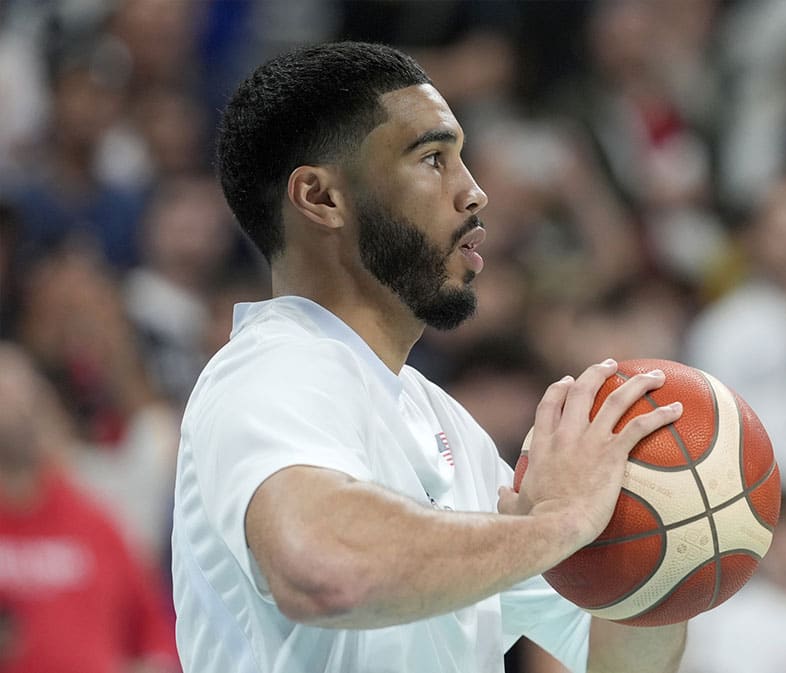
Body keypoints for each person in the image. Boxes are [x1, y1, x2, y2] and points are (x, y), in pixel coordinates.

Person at [171, 42, 687, 673]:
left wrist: (665, 537)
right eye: (433, 159)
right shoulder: (272, 370)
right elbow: (324, 572)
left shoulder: (445, 425)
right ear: (321, 198)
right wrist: (565, 522)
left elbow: (618, 661)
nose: (475, 194)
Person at [0, 344, 177, 673]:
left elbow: (155, 631)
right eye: (7, 398)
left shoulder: (93, 522)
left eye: (29, 397)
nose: (22, 411)